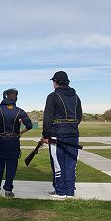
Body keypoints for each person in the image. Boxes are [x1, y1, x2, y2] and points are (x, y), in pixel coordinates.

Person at [41, 71, 83, 199]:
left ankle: (60, 191)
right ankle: (70, 191)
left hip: (57, 134)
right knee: (71, 162)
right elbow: (79, 116)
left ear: (56, 82)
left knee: (58, 162)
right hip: (73, 133)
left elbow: (48, 117)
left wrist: (46, 134)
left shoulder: (52, 96)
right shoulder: (76, 97)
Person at [0, 89, 32, 198]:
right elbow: (29, 125)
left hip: (0, 141)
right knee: (11, 167)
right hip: (13, 142)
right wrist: (20, 133)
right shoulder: (20, 111)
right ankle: (8, 190)